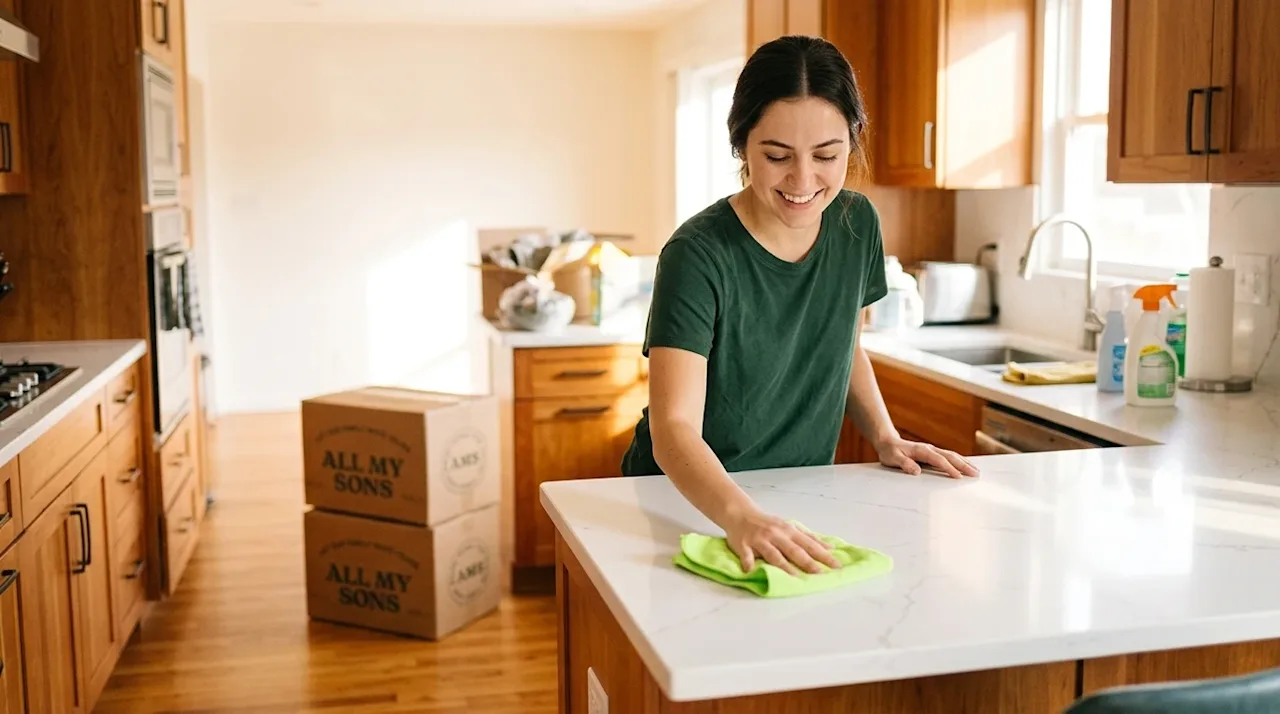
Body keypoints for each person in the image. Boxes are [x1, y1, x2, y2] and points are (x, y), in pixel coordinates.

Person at [620, 35, 980, 578]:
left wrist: (884, 435)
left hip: (799, 492)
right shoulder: (696, 255)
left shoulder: (857, 225)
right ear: (742, 146)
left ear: (852, 143)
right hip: (686, 500)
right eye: (777, 156)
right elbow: (674, 428)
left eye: (827, 156)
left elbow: (842, 343)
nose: (804, 181)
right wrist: (741, 516)